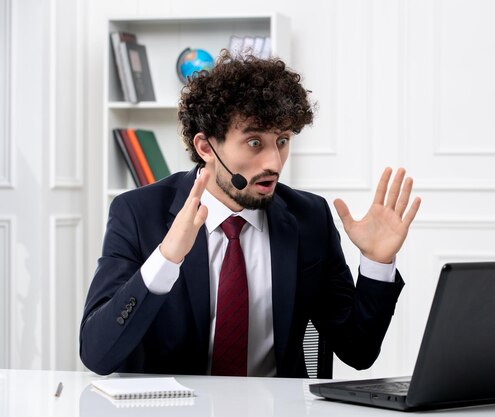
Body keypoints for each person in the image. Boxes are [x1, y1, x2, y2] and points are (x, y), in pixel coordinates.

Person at [80, 52, 421, 377]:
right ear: (205, 147)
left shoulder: (309, 218)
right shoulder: (139, 214)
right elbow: (98, 354)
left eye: (283, 141)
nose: (274, 163)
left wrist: (377, 264)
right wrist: (166, 259)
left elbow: (357, 352)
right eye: (255, 142)